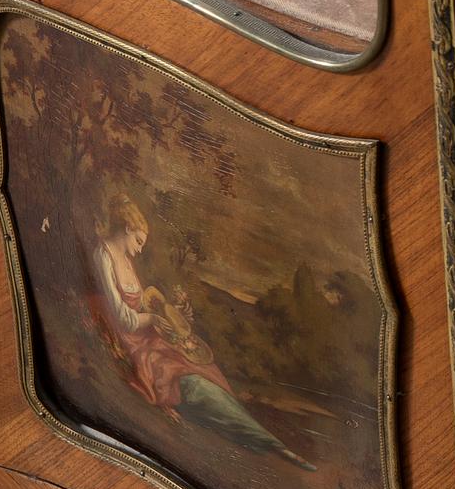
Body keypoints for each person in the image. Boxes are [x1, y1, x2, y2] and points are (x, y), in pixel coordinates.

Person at [91, 195, 315, 470]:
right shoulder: (103, 255)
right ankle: (266, 441)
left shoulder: (125, 257)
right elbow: (123, 317)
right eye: (138, 241)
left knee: (203, 366)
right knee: (194, 385)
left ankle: (259, 434)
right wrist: (153, 318)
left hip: (148, 334)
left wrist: (174, 315)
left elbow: (146, 301)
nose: (139, 250)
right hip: (133, 340)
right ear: (127, 228)